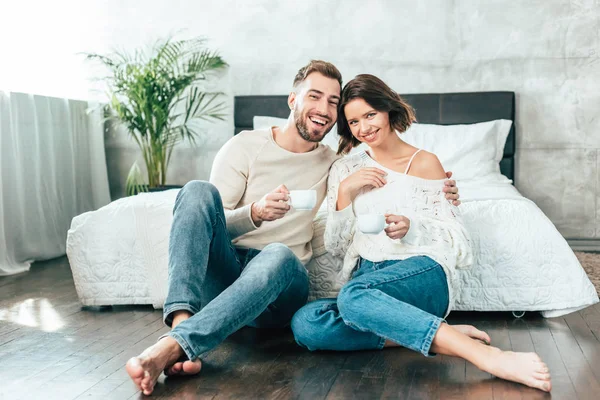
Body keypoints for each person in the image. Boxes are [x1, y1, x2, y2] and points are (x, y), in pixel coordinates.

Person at [125, 62, 462, 396]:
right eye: (314, 96)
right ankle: (181, 332)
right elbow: (205, 227)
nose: (324, 109)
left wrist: (444, 193)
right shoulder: (244, 146)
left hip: (281, 284)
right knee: (197, 190)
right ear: (292, 100)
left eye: (333, 102)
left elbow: (382, 177)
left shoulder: (334, 162)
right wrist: (254, 213)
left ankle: (173, 347)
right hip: (227, 271)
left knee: (278, 255)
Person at [290, 74, 552, 392]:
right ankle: (440, 337)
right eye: (354, 121)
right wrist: (345, 192)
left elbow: (460, 243)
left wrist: (413, 229)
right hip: (368, 275)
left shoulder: (427, 163)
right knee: (305, 323)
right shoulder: (346, 169)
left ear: (388, 110)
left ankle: (486, 356)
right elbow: (334, 246)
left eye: (370, 115)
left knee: (352, 298)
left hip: (423, 272)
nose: (364, 128)